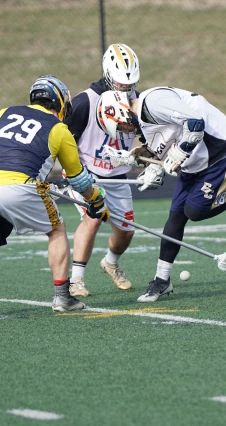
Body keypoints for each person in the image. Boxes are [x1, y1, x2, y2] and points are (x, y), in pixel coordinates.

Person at [0, 75, 109, 312]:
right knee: (56, 230)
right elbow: (78, 180)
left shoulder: (4, 113)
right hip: (19, 186)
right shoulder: (59, 129)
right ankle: (62, 297)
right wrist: (95, 198)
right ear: (60, 102)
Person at [95, 87, 226, 302]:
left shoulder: (153, 102)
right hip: (197, 161)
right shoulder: (144, 118)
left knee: (195, 210)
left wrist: (179, 153)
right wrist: (132, 158)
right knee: (175, 218)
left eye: (121, 125)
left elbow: (195, 124)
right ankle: (161, 280)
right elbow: (159, 150)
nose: (126, 130)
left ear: (122, 110)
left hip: (224, 153)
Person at [62, 44, 146, 297]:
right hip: (85, 173)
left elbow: (147, 139)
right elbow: (62, 139)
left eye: (129, 83)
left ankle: (110, 262)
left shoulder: (137, 101)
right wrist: (74, 172)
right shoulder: (85, 101)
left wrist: (144, 158)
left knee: (126, 231)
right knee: (94, 216)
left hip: (117, 176)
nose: (125, 88)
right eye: (120, 83)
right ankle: (76, 280)